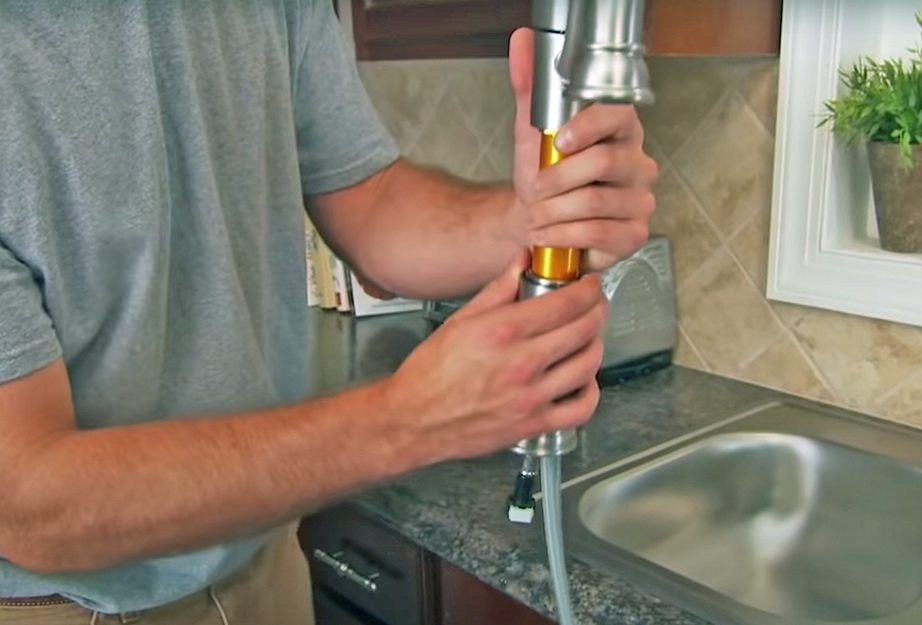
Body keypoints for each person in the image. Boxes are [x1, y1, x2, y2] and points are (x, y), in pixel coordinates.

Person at [0, 1, 657, 624]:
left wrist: (533, 215)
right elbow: (30, 506)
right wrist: (409, 420)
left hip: (262, 563)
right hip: (64, 604)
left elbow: (370, 201)